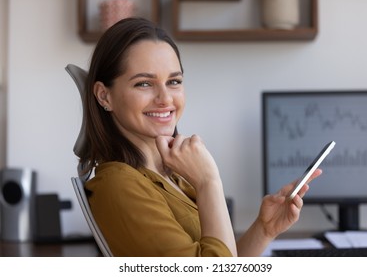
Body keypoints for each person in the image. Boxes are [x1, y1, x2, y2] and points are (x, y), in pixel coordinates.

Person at [79, 17, 322, 257]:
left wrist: (265, 229)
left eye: (174, 81)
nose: (165, 98)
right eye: (144, 84)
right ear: (104, 96)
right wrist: (209, 182)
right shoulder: (119, 186)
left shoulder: (172, 173)